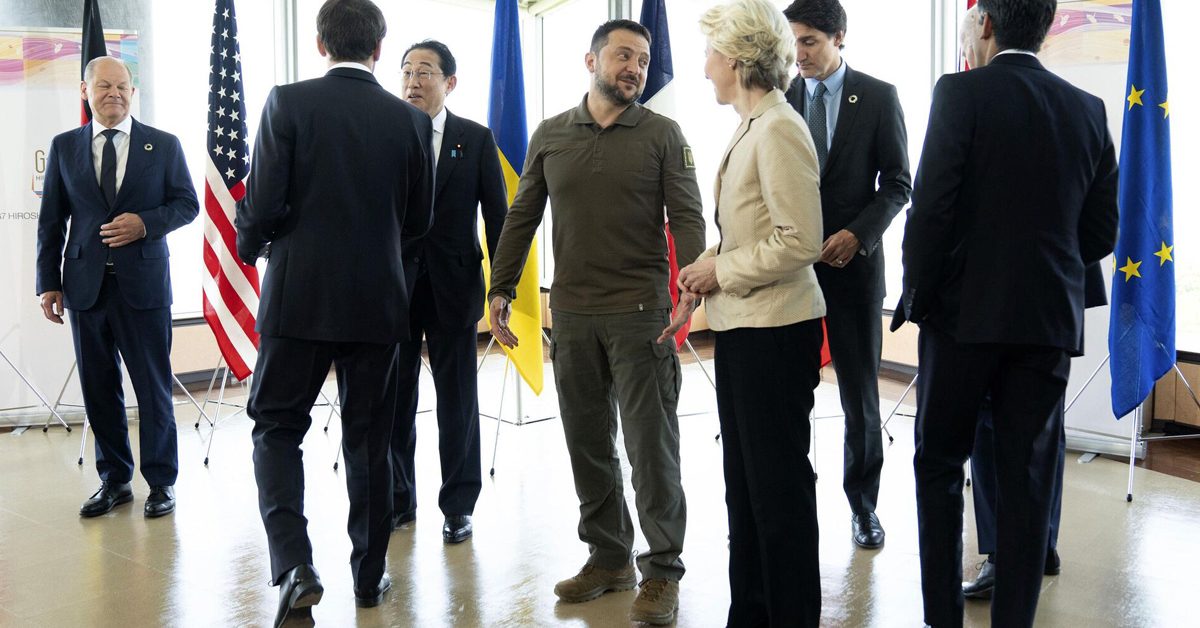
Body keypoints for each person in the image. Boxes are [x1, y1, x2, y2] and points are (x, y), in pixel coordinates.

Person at [892, 0, 1119, 625]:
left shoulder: (960, 93)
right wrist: (1043, 269)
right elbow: (1101, 230)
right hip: (1046, 325)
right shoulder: (1087, 108)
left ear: (986, 23)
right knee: (1028, 478)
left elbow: (930, 211)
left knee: (940, 466)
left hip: (961, 321)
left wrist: (920, 295)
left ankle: (942, 619)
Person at [486, 19, 705, 626]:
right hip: (573, 318)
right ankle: (608, 558)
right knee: (587, 445)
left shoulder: (663, 133)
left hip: (642, 318)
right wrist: (500, 287)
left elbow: (687, 218)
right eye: (623, 56)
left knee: (651, 449)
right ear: (592, 61)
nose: (634, 68)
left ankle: (661, 571)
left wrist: (689, 289)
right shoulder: (551, 134)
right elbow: (522, 215)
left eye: (643, 60)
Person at [235, 1, 434, 625]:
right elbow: (418, 221)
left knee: (276, 427)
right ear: (379, 49)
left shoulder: (287, 103)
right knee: (370, 439)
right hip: (378, 302)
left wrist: (248, 244)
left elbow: (262, 204)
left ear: (321, 44)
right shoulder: (410, 121)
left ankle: (295, 566)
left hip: (297, 299)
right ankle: (369, 579)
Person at [663, 0, 825, 624]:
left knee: (776, 494)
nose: (704, 66)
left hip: (775, 334)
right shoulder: (754, 124)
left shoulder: (779, 127)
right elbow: (746, 232)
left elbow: (799, 240)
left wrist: (719, 272)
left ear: (736, 58)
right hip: (745, 330)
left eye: (710, 54)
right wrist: (701, 273)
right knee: (748, 490)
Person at [36, 55, 198, 520]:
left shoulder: (162, 145)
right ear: (85, 91)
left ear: (133, 91)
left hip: (144, 288)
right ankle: (114, 479)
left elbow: (186, 204)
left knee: (152, 388)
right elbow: (51, 221)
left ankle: (161, 482)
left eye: (122, 86)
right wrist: (48, 283)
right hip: (85, 289)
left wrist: (145, 223)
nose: (114, 94)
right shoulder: (64, 147)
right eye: (104, 86)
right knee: (99, 387)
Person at [781, 0, 912, 550]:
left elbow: (898, 182)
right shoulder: (780, 97)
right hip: (789, 273)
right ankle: (791, 500)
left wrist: (859, 234)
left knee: (860, 397)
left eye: (809, 41)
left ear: (839, 38)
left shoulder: (878, 97)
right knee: (791, 391)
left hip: (853, 271)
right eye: (793, 41)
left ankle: (864, 506)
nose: (799, 54)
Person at [390, 39, 507, 544]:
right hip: (394, 286)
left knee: (457, 401)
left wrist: (503, 288)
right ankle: (399, 499)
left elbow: (499, 218)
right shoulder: (386, 134)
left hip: (454, 286)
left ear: (450, 82)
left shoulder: (475, 139)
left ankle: (459, 505)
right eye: (406, 71)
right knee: (394, 399)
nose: (413, 81)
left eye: (425, 72)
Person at [963, 261, 1108, 598]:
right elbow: (1099, 233)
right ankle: (1042, 543)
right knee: (1045, 422)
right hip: (1056, 283)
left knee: (991, 421)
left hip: (998, 285)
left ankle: (1004, 553)